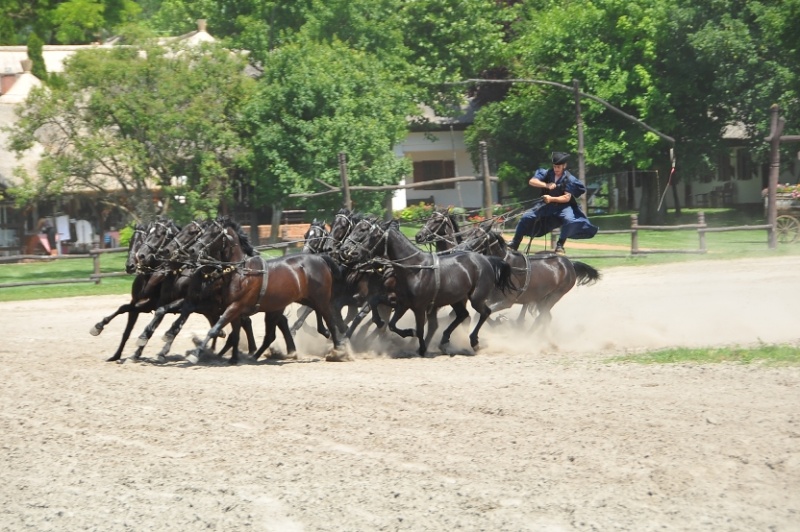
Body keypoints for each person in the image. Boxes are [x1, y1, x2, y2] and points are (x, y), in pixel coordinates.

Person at [508, 151, 598, 254]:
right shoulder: (546, 173)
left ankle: (560, 246)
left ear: (564, 166)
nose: (556, 169)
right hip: (546, 205)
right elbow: (532, 181)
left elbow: (566, 198)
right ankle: (515, 243)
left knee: (570, 219)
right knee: (525, 217)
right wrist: (546, 185)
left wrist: (551, 198)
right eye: (554, 167)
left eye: (558, 167)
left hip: (563, 207)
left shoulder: (569, 179)